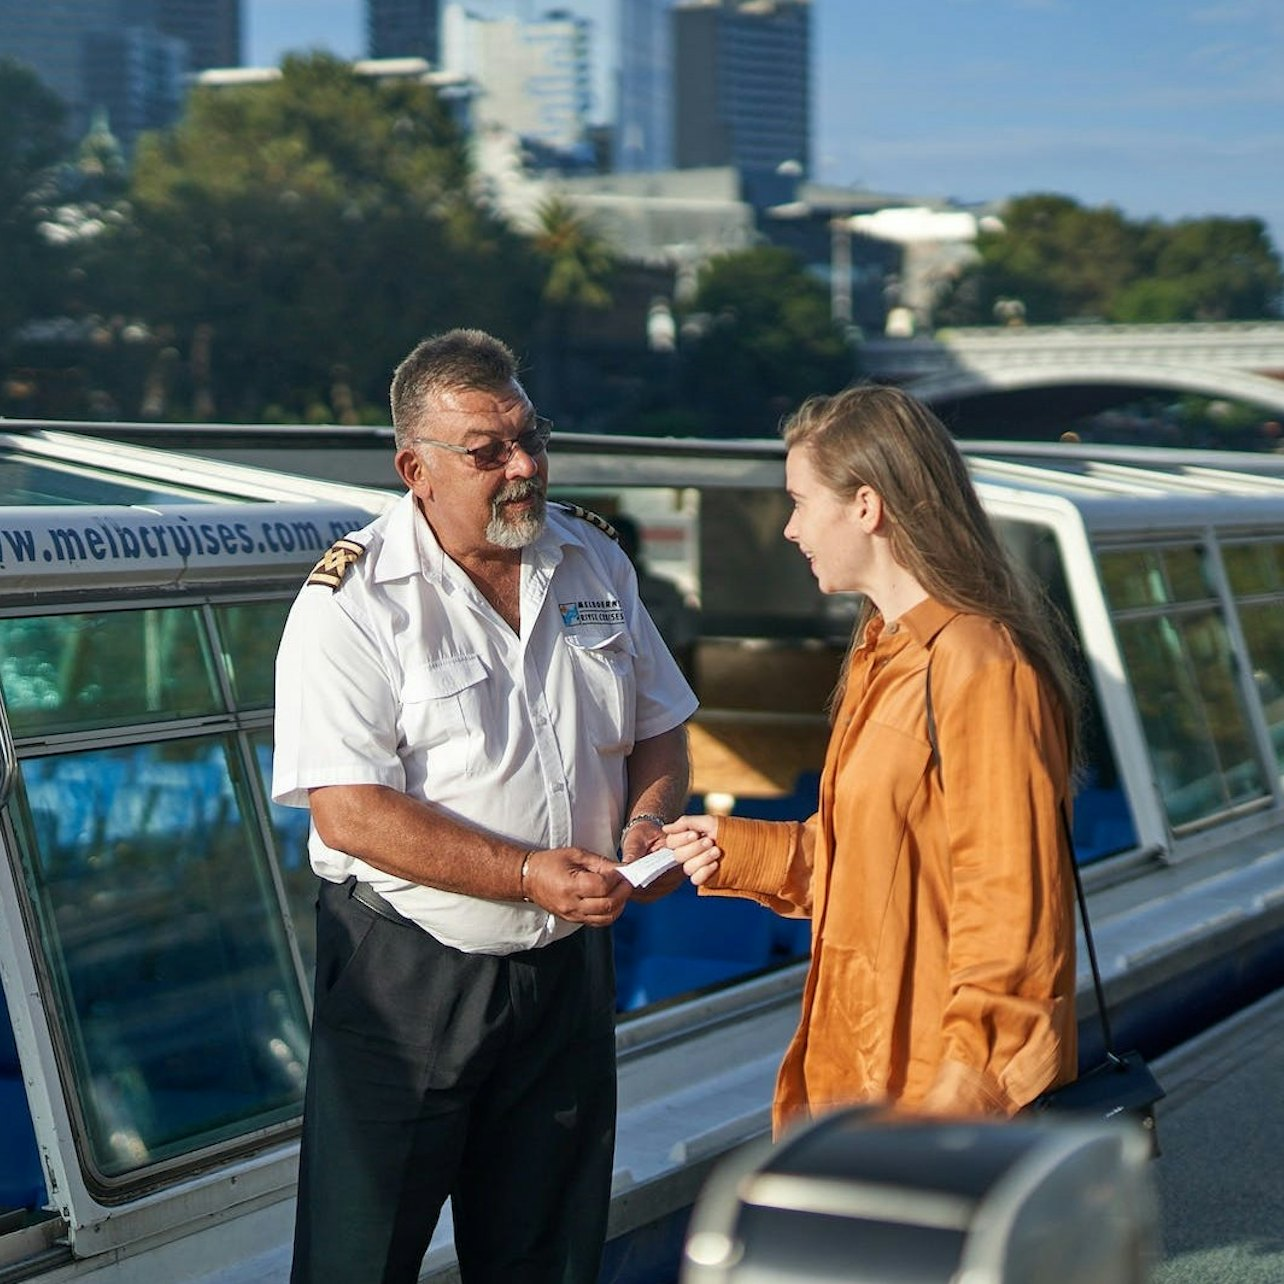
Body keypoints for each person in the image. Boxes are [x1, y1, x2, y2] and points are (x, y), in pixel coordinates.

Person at [272, 328, 695, 1284]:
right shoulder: (353, 603)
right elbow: (347, 811)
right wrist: (522, 874)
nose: (524, 466)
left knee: (549, 1258)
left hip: (568, 976)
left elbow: (660, 726)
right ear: (415, 469)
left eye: (531, 438)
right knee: (359, 1260)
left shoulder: (594, 563)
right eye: (489, 451)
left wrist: (643, 828)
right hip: (407, 978)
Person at [662, 384, 1079, 1134]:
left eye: (800, 501)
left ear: (866, 505)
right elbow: (872, 862)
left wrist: (958, 1108)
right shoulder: (882, 654)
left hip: (933, 1102)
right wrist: (736, 849)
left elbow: (1013, 913)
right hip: (862, 1080)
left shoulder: (980, 665)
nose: (790, 529)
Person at [612, 514, 699, 685]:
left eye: (626, 543)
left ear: (637, 546)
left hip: (658, 685)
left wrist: (691, 695)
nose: (621, 550)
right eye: (614, 545)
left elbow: (685, 645)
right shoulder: (587, 589)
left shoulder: (664, 592)